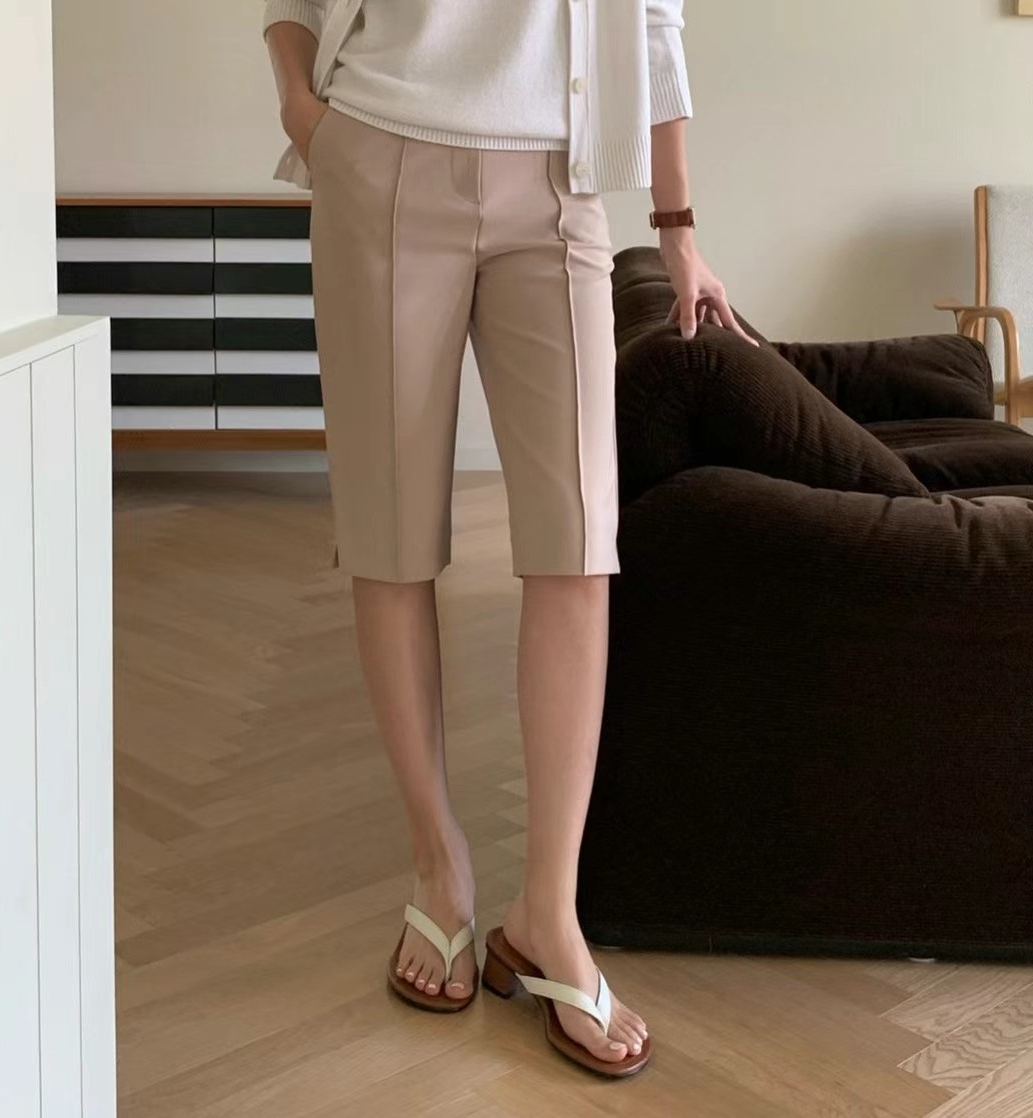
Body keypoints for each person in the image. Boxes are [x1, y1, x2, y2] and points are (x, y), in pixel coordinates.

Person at [264, 0, 750, 1077]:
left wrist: (677, 227)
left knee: (580, 544)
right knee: (390, 535)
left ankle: (548, 913)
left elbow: (655, 23)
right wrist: (304, 112)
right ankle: (439, 870)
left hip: (559, 179)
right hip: (379, 154)